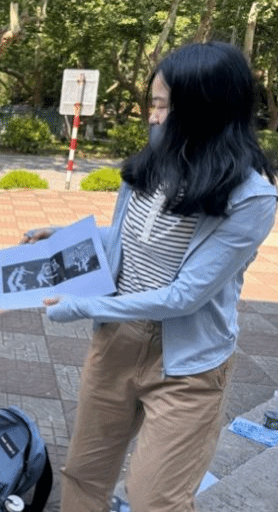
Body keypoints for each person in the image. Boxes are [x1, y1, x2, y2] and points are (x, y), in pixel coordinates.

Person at [23, 42, 277, 512]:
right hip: (117, 342)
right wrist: (67, 235)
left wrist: (83, 306)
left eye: (163, 107)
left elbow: (184, 296)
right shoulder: (151, 164)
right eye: (153, 105)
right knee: (84, 474)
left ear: (203, 112)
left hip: (187, 365)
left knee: (155, 499)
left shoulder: (252, 198)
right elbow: (130, 241)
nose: (153, 118)